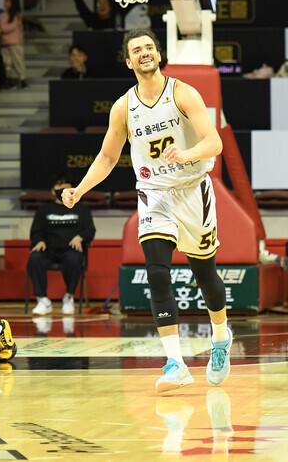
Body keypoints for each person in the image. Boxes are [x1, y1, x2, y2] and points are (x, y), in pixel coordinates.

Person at [60, 28, 232, 393]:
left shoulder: (183, 93)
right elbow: (107, 157)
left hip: (192, 190)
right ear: (128, 61)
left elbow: (214, 142)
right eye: (136, 50)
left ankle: (220, 337)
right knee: (156, 272)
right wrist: (80, 190)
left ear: (159, 54)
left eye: (149, 47)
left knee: (206, 277)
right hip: (154, 193)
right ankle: (175, 363)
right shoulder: (123, 107)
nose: (144, 53)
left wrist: (186, 154)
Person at [28, 175, 96, 315]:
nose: (63, 189)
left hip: (71, 250)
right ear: (53, 191)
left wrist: (80, 237)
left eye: (66, 186)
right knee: (34, 258)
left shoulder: (81, 209)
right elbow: (36, 230)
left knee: (74, 259)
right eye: (60, 186)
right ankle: (42, 300)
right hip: (48, 250)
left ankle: (69, 297)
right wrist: (38, 240)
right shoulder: (44, 210)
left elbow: (90, 230)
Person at [0, 0, 27, 89]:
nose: (5, 3)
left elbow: (10, 26)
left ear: (13, 2)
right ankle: (8, 80)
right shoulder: (3, 14)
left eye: (7, 1)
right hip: (5, 43)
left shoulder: (17, 15)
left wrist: (1, 30)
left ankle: (23, 80)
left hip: (15, 43)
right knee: (6, 63)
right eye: (5, 1)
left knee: (18, 62)